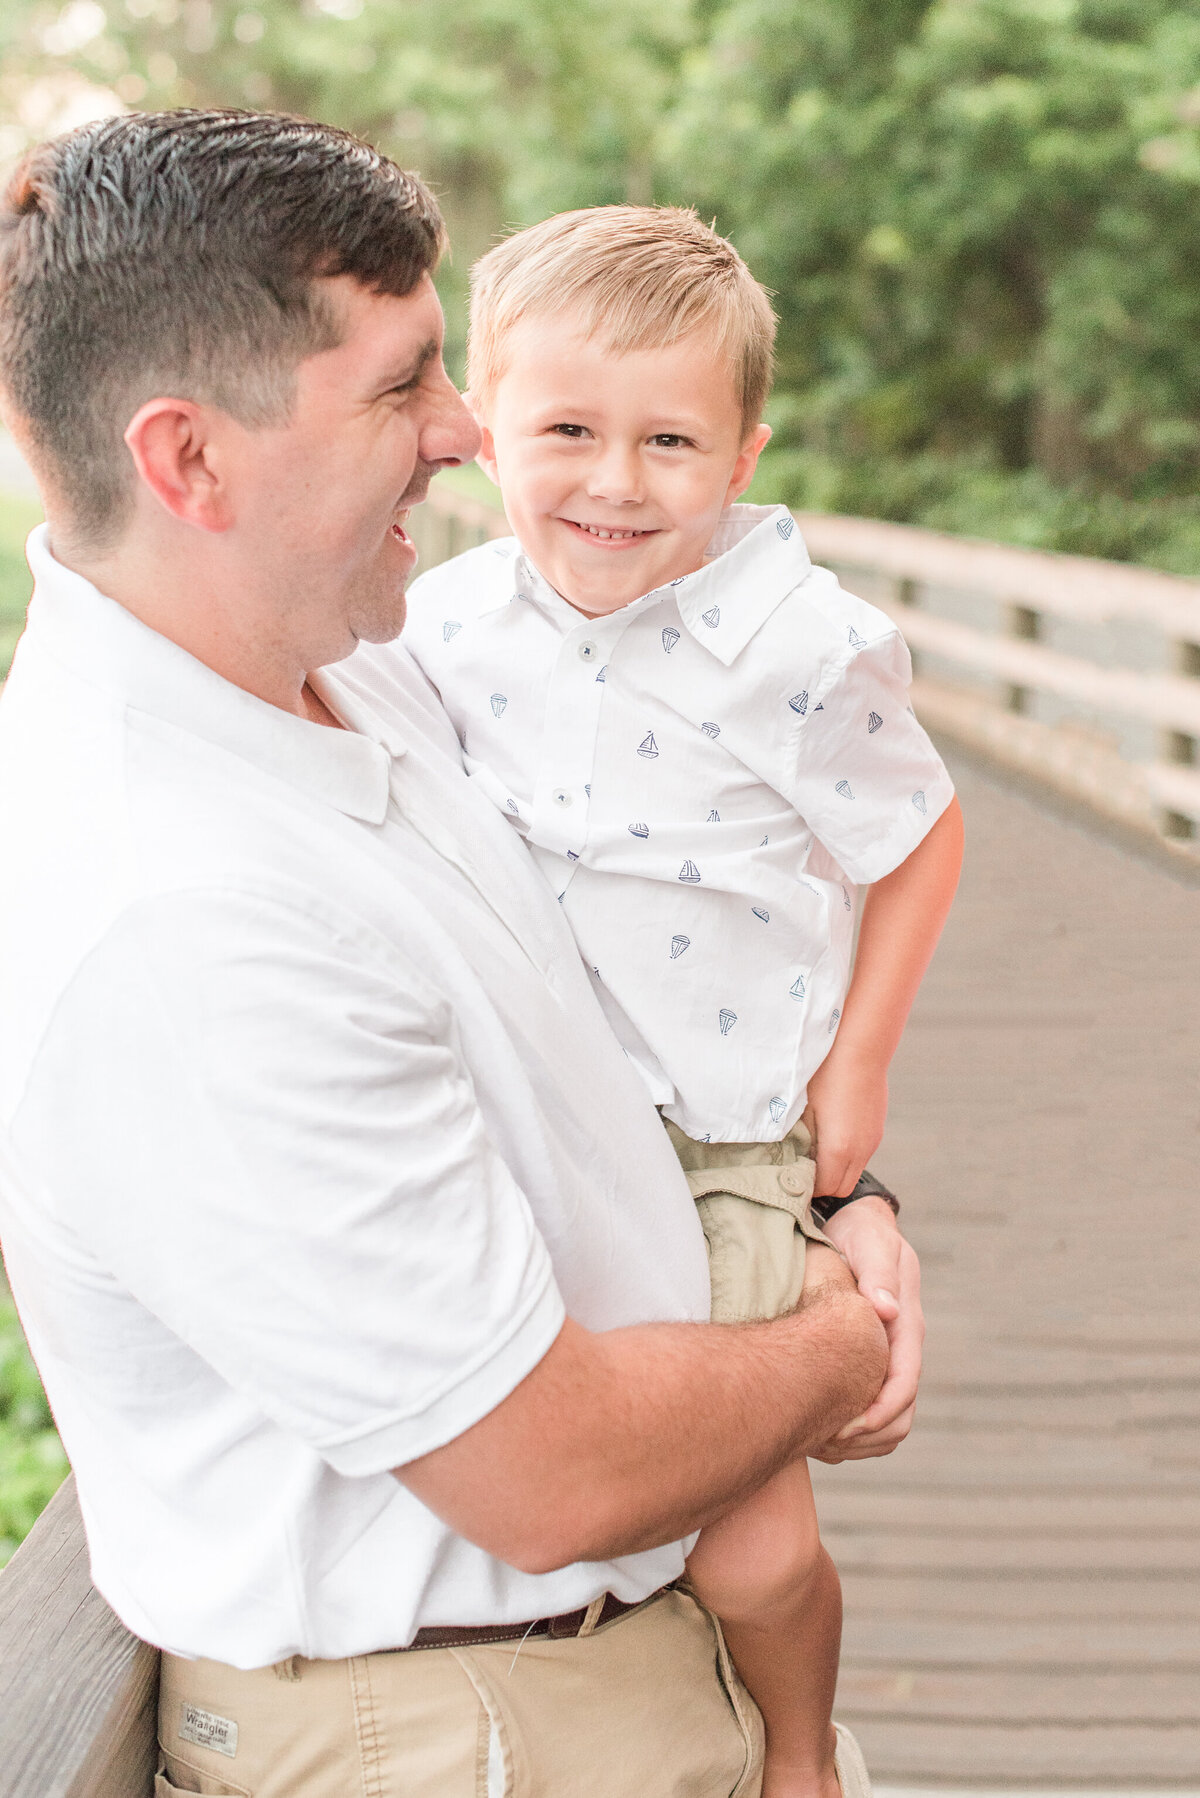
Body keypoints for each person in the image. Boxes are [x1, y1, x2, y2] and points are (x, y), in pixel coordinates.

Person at [0, 114, 911, 1798]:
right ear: (191, 460)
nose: (464, 432)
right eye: (406, 385)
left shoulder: (358, 670)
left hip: (613, 1673)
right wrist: (842, 1338)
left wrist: (844, 1196)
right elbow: (544, 1471)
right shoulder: (181, 915)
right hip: (465, 1737)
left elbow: (659, 959)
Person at [401, 206, 965, 1798]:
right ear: (487, 430)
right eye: (566, 430)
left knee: (750, 1543)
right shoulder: (439, 630)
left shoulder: (798, 644)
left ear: (743, 452)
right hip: (520, 1112)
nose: (614, 481)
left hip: (715, 1134)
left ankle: (799, 1753)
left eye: (670, 439)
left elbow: (922, 842)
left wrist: (855, 1087)